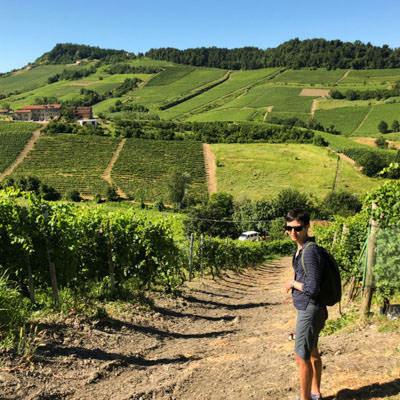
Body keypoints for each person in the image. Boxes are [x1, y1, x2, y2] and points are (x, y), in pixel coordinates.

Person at [284, 209, 327, 400]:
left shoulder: (309, 252)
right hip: (310, 308)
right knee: (312, 352)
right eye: (289, 228)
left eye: (297, 228)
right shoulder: (301, 249)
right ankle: (315, 393)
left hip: (310, 309)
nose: (293, 232)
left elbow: (313, 288)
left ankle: (306, 398)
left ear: (307, 227)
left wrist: (293, 283)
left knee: (301, 356)